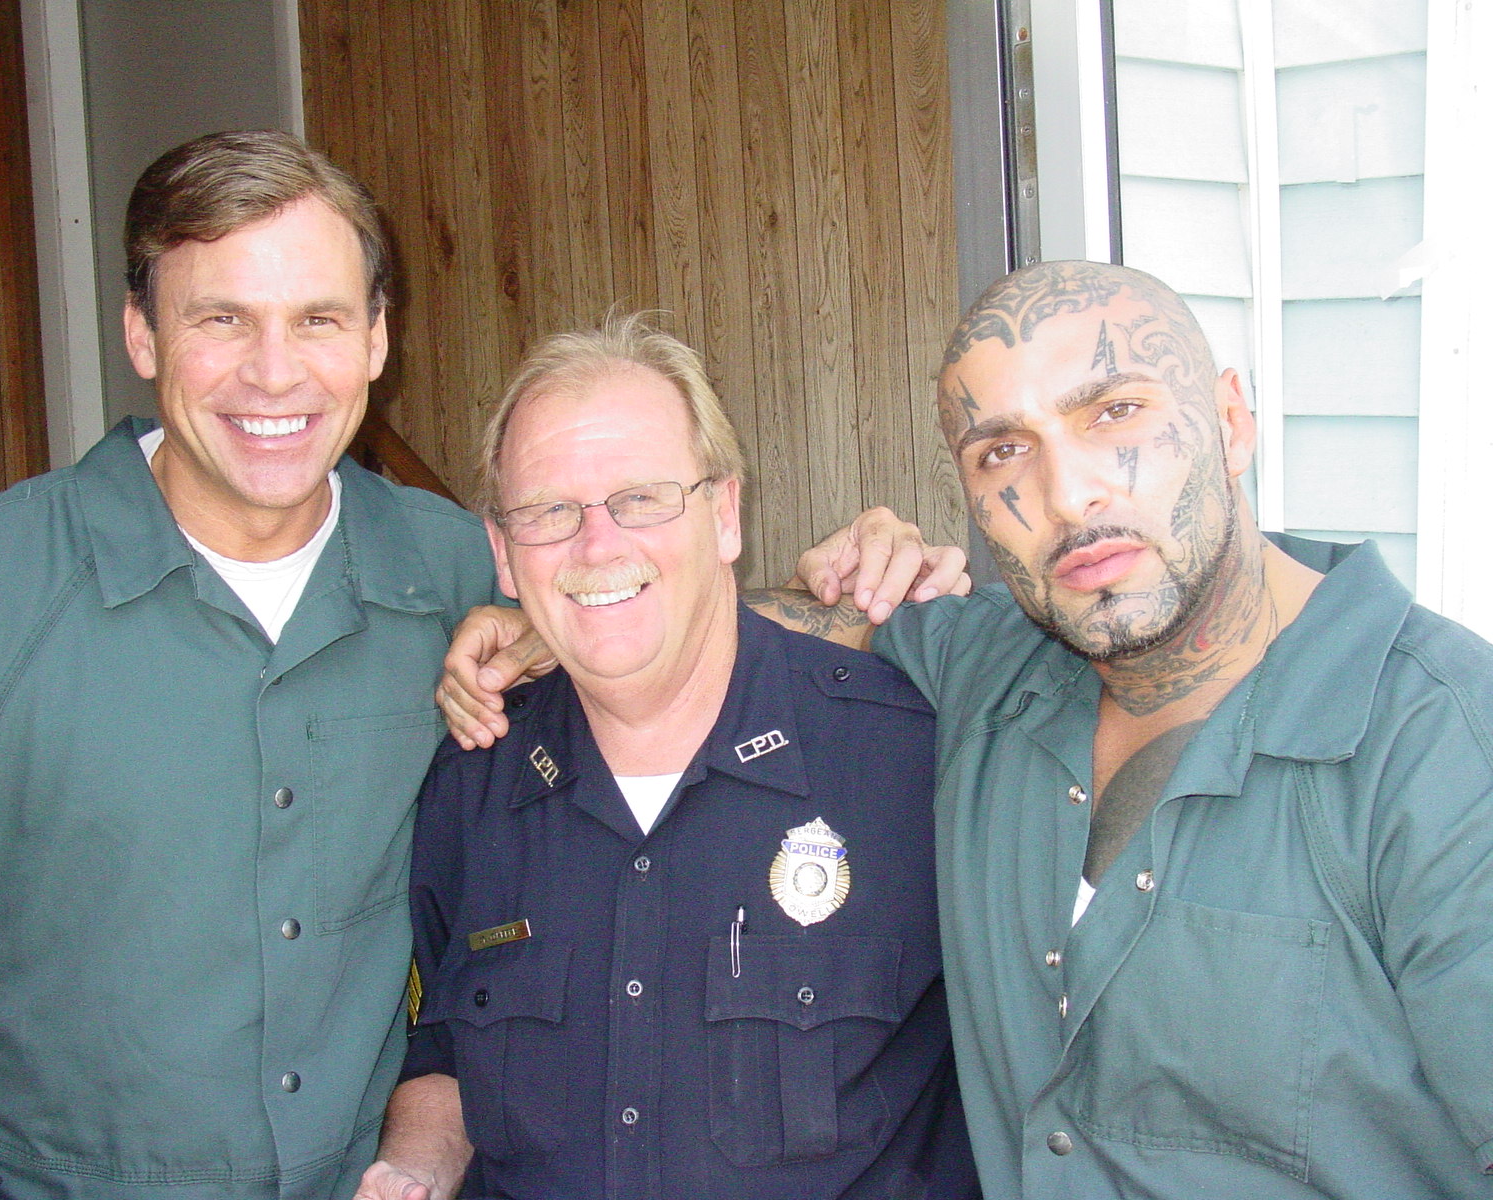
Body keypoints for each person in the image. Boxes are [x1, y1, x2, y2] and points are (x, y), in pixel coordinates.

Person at [449, 260, 1493, 1199]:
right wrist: (562, 612)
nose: (1066, 493)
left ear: (1229, 420)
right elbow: (702, 614)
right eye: (1003, 451)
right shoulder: (990, 670)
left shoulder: (1438, 742)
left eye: (1113, 413)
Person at [0, 131, 506, 1200]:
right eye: (221, 318)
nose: (274, 372)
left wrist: (879, 583)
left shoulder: (457, 566)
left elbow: (672, 647)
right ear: (141, 333)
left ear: (374, 339)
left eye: (317, 318)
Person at [357, 314, 982, 1200]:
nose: (597, 545)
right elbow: (452, 1045)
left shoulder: (911, 757)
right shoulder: (472, 782)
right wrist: (413, 1166)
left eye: (643, 498)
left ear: (725, 513)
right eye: (548, 512)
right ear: (501, 553)